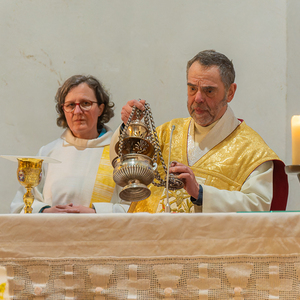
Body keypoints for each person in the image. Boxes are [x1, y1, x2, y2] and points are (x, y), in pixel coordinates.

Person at [111, 50, 288, 213]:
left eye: (209, 90)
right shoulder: (166, 133)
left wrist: (201, 193)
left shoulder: (253, 152)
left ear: (230, 92)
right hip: (151, 242)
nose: (198, 98)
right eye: (192, 88)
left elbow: (259, 207)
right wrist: (131, 127)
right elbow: (123, 164)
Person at [11, 75, 129, 213]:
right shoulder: (47, 153)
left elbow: (135, 208)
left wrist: (96, 212)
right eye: (70, 105)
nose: (77, 112)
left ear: (100, 109)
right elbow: (20, 206)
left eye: (85, 103)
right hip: (53, 233)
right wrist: (45, 212)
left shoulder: (119, 153)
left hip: (102, 233)